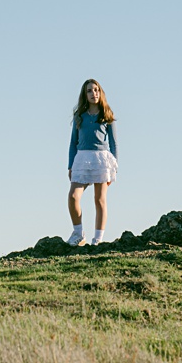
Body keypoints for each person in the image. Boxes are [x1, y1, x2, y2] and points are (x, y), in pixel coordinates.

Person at [66, 79, 118, 246]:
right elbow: (73, 142)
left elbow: (114, 143)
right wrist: (70, 165)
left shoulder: (106, 115)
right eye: (89, 91)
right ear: (85, 94)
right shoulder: (79, 117)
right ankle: (78, 233)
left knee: (100, 199)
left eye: (96, 90)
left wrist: (114, 167)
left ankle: (98, 238)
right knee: (73, 196)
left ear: (100, 93)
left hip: (101, 159)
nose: (93, 93)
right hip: (81, 159)